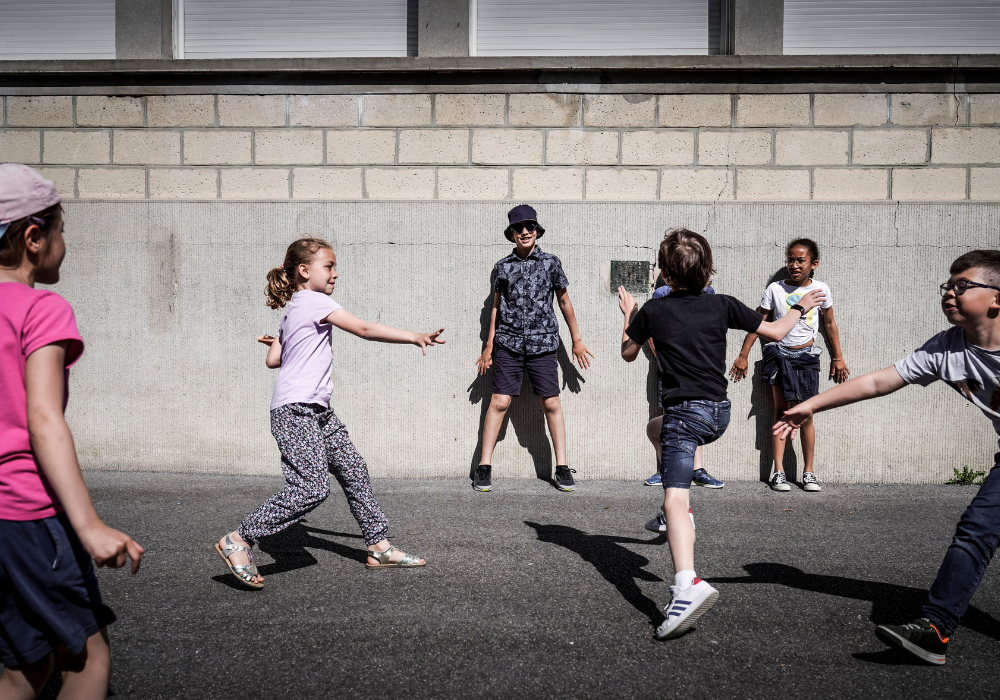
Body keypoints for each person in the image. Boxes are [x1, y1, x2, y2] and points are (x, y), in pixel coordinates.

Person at [774, 250, 1000, 665]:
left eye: (963, 285)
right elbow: (880, 381)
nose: (949, 292)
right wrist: (812, 405)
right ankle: (935, 629)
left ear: (997, 298)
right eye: (947, 286)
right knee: (977, 529)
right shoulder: (947, 349)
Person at [619, 227, 824, 640]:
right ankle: (672, 519)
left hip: (684, 415)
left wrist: (630, 313)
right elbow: (779, 332)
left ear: (665, 274)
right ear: (708, 270)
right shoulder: (723, 304)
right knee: (652, 427)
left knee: (676, 496)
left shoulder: (654, 312)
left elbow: (627, 351)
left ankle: (686, 585)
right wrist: (799, 307)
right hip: (718, 414)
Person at [215, 237, 443, 589]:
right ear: (305, 271)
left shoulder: (294, 308)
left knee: (353, 469)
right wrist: (413, 336)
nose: (335, 273)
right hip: (296, 411)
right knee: (311, 488)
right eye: (329, 266)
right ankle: (240, 539)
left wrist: (281, 340)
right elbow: (364, 329)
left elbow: (273, 360)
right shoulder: (315, 302)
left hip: (318, 410)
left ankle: (378, 547)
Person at [0, 164, 144, 699]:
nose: (66, 242)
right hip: (30, 514)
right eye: (62, 230)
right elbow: (43, 418)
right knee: (86, 660)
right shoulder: (42, 308)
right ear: (35, 238)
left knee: (26, 666)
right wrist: (87, 526)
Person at [474, 205, 593, 493]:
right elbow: (496, 308)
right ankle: (484, 465)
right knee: (499, 402)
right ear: (512, 234)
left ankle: (562, 467)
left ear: (537, 230)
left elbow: (564, 302)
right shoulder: (502, 267)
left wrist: (576, 340)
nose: (524, 232)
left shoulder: (551, 263)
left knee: (551, 403)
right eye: (519, 228)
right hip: (509, 344)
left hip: (543, 345)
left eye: (529, 227)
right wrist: (489, 346)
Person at [730, 238, 849, 492]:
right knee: (781, 412)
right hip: (778, 355)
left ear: (813, 264)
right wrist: (744, 354)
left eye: (800, 260)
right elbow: (757, 322)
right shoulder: (775, 289)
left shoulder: (820, 290)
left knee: (806, 414)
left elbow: (829, 325)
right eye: (790, 260)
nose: (794, 265)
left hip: (807, 356)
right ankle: (779, 472)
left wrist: (837, 357)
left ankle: (808, 472)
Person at [644, 277, 724, 491]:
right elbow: (651, 331)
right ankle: (666, 469)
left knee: (696, 412)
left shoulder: (709, 292)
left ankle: (696, 470)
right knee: (671, 414)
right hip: (672, 370)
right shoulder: (661, 294)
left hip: (700, 369)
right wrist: (665, 357)